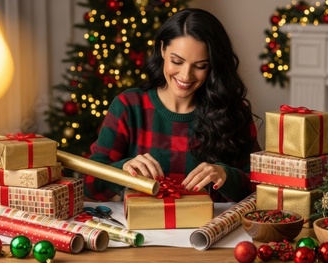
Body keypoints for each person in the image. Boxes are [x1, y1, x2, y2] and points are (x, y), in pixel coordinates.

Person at [84, 8, 261, 203]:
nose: (186, 76)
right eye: (177, 61)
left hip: (211, 230)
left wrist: (226, 176)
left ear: (213, 65)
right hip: (143, 230)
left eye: (200, 66)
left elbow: (260, 188)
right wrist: (124, 169)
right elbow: (89, 185)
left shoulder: (234, 111)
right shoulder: (129, 106)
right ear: (162, 50)